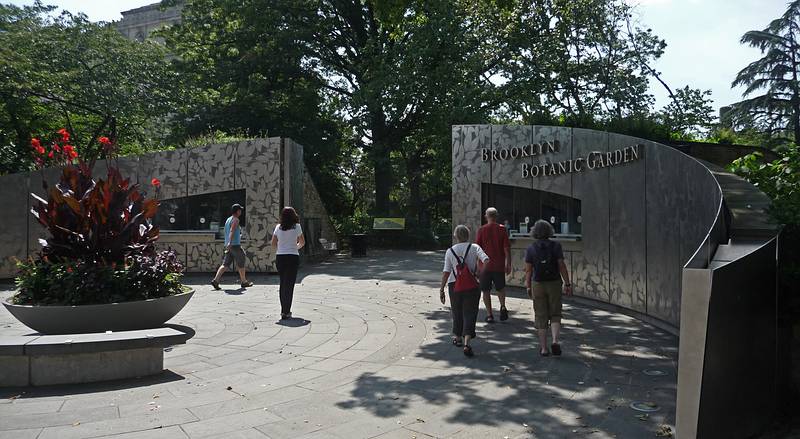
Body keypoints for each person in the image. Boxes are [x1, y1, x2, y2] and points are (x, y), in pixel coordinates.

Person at [439, 225, 489, 357]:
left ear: (456, 236)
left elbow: (446, 271)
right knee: (470, 312)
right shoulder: (475, 247)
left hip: (454, 285)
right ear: (468, 235)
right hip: (472, 284)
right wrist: (480, 273)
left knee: (457, 311)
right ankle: (467, 342)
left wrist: (441, 289)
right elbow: (486, 259)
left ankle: (458, 338)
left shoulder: (450, 251)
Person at [524, 220, 572, 356]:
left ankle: (544, 348)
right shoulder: (556, 246)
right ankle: (555, 341)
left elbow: (528, 270)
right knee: (556, 313)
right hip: (554, 283)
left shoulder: (531, 248)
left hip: (537, 283)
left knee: (540, 315)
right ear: (549, 231)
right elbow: (561, 265)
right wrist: (567, 283)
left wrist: (528, 286)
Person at [476, 207, 511, 323]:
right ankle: (502, 306)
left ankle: (490, 314)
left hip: (485, 266)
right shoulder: (502, 229)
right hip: (499, 265)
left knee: (485, 290)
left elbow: (478, 250)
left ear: (486, 216)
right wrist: (508, 263)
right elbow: (506, 249)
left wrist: (477, 266)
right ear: (496, 216)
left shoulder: (481, 230)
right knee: (500, 288)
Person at [271, 207, 305, 319]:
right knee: (289, 285)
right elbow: (302, 242)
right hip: (292, 257)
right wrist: (295, 247)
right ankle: (287, 311)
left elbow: (273, 243)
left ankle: (282, 310)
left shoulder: (278, 227)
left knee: (282, 283)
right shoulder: (297, 227)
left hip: (280, 257)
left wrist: (280, 248)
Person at [211, 204, 253, 290]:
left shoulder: (228, 219)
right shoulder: (236, 220)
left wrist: (228, 243)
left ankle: (215, 280)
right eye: (240, 210)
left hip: (229, 246)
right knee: (241, 261)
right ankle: (244, 282)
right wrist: (230, 241)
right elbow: (232, 230)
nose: (241, 211)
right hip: (234, 245)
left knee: (225, 264)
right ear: (237, 211)